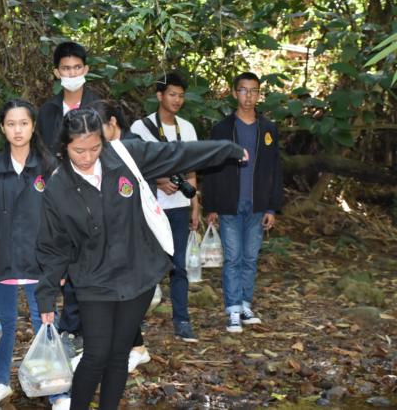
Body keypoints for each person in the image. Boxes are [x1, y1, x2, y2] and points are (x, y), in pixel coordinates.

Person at [35, 108, 248, 410]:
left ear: (103, 142)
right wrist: (45, 295)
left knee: (119, 353)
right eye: (78, 150)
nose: (87, 157)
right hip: (93, 280)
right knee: (96, 354)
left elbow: (177, 154)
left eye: (95, 148)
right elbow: (53, 245)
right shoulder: (57, 187)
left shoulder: (126, 155)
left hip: (137, 273)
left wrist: (226, 149)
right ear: (64, 146)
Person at [0, 99, 70, 410]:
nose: (18, 130)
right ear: (2, 128)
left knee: (45, 321)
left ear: (33, 126)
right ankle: (0, 381)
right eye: (11, 124)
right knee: (5, 323)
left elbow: (63, 219)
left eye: (23, 123)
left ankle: (56, 391)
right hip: (3, 258)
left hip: (40, 261)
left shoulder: (49, 166)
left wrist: (62, 265)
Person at [202, 72, 283, 334]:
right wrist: (210, 206)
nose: (249, 96)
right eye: (244, 90)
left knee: (250, 257)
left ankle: (246, 305)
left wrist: (272, 207)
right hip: (229, 204)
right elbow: (211, 167)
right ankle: (233, 309)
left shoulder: (268, 129)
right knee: (233, 258)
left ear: (259, 94)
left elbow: (275, 169)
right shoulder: (222, 129)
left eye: (254, 91)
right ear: (235, 93)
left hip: (257, 205)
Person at [38, 41, 100, 354]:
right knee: (67, 258)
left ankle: (91, 327)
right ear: (56, 72)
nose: (72, 74)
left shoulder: (98, 107)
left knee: (91, 258)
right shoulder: (49, 110)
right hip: (61, 193)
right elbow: (42, 148)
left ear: (86, 70)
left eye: (77, 68)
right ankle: (72, 328)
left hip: (94, 193)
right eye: (66, 68)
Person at [130, 72, 200, 342]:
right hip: (151, 209)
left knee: (178, 266)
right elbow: (133, 167)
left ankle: (182, 320)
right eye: (172, 94)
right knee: (147, 265)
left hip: (179, 207)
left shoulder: (187, 128)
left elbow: (192, 170)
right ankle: (135, 321)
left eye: (181, 95)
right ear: (160, 95)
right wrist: (159, 181)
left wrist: (195, 204)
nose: (177, 100)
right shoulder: (141, 127)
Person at [87, 99, 150, 373]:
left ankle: (134, 348)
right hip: (111, 233)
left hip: (134, 232)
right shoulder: (105, 149)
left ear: (112, 123)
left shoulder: (133, 146)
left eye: (98, 130)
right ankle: (133, 346)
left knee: (124, 293)